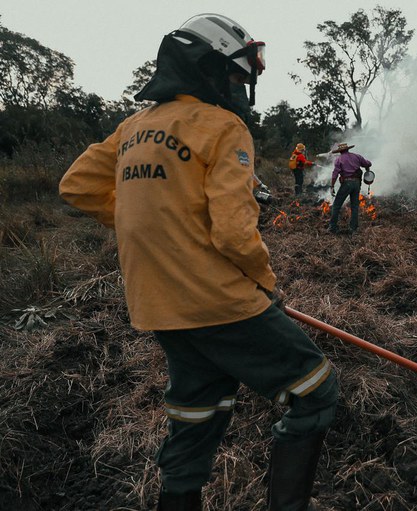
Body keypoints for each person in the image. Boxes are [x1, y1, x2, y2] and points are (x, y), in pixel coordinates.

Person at [58, 14, 338, 511]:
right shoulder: (222, 127)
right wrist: (266, 285)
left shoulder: (134, 126)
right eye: (235, 77)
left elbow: (76, 185)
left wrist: (152, 223)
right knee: (315, 390)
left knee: (196, 414)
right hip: (222, 303)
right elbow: (233, 231)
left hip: (159, 308)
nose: (239, 90)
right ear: (207, 67)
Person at [328, 142, 372, 234]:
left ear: (340, 151)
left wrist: (332, 186)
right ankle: (353, 228)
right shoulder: (357, 156)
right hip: (357, 183)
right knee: (355, 206)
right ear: (348, 149)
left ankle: (332, 227)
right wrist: (368, 169)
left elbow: (335, 174)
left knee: (336, 205)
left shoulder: (339, 159)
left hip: (347, 183)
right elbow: (368, 163)